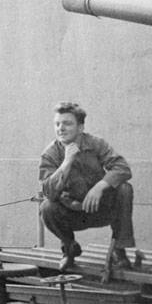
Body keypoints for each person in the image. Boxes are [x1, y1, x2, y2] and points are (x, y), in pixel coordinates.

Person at [38, 102, 135, 272]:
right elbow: (49, 192)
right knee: (46, 208)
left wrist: (100, 187)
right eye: (57, 124)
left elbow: (122, 168)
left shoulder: (96, 144)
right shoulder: (51, 153)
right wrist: (67, 162)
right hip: (72, 213)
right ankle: (69, 249)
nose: (61, 128)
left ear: (81, 127)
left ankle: (119, 250)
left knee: (124, 189)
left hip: (99, 209)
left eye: (67, 123)